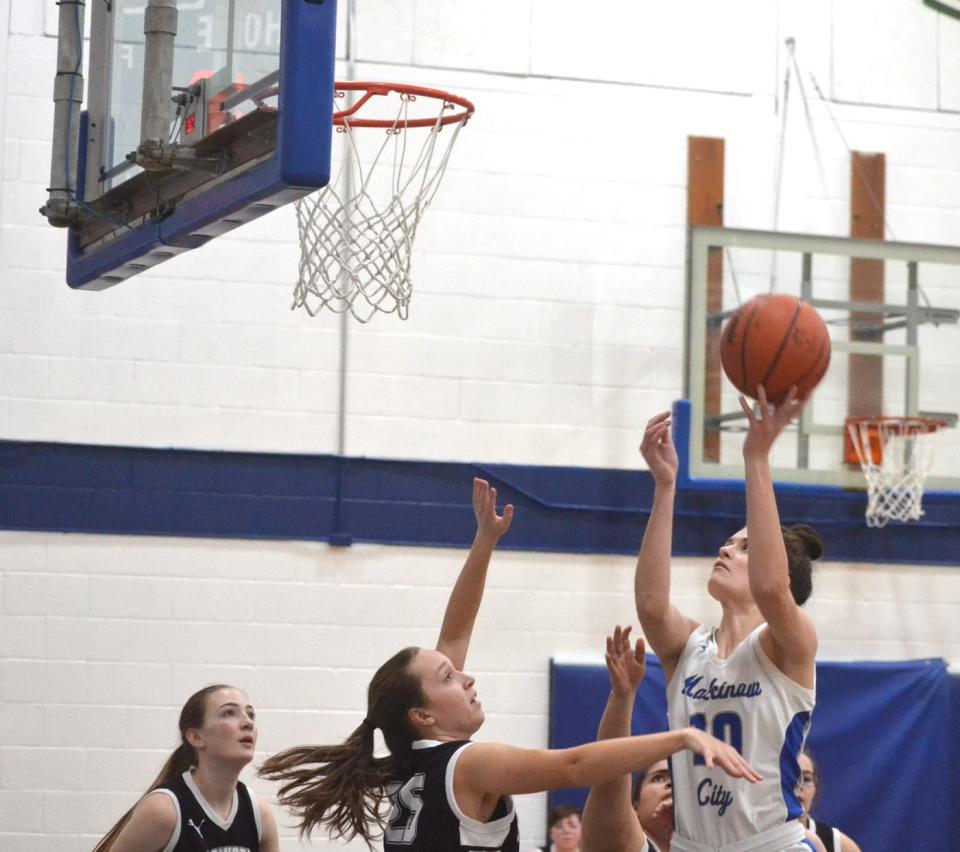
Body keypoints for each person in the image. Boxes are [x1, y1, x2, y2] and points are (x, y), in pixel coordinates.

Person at [259, 478, 760, 851]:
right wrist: (682, 737)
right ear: (424, 716)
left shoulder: (414, 760)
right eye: (450, 678)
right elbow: (574, 765)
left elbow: (453, 634)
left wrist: (484, 543)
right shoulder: (469, 763)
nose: (466, 675)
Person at [635, 387, 824, 852]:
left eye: (745, 547)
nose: (725, 549)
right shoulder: (691, 648)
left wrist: (756, 458)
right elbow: (651, 606)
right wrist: (665, 486)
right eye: (729, 542)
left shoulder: (788, 645)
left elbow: (770, 589)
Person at [93, 684, 279, 852]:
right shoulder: (163, 810)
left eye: (251, 714)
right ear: (195, 737)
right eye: (229, 713)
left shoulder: (258, 813)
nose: (248, 722)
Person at [581, 625, 673, 852]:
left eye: (679, 781)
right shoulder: (626, 844)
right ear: (633, 806)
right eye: (658, 778)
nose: (671, 784)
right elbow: (609, 774)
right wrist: (623, 697)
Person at [798, 750, 862, 852]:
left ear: (816, 786)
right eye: (789, 778)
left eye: (806, 779)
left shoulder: (839, 845)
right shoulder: (763, 836)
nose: (798, 787)